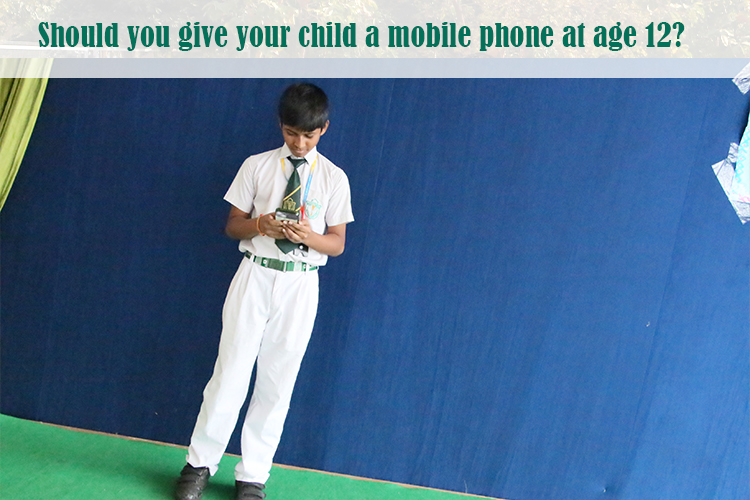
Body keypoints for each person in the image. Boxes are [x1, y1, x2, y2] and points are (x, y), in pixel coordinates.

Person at [175, 82, 354, 500]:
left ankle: (252, 476)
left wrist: (309, 236)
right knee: (230, 371)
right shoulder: (256, 166)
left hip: (299, 282)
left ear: (323, 130)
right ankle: (199, 464)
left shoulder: (333, 178)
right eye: (292, 133)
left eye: (308, 135)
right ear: (281, 126)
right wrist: (261, 224)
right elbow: (232, 224)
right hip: (254, 274)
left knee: (278, 380)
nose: (298, 142)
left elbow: (338, 243)